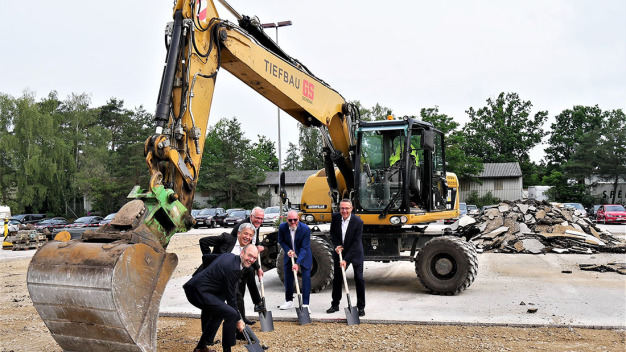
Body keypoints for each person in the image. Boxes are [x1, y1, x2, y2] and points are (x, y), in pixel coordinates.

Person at [183, 244, 259, 352]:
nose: (251, 260)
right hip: (197, 292)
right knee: (231, 314)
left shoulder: (229, 256)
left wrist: (209, 274)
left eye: (254, 258)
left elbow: (206, 258)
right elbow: (231, 298)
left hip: (196, 288)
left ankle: (201, 348)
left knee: (220, 313)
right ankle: (227, 350)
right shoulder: (233, 270)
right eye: (250, 256)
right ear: (242, 253)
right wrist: (238, 320)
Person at [198, 223, 263, 325]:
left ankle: (240, 331)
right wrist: (211, 261)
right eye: (246, 234)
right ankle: (206, 338)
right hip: (215, 278)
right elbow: (203, 242)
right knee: (210, 305)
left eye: (251, 235)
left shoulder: (247, 248)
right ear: (238, 233)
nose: (248, 237)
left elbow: (252, 258)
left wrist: (258, 268)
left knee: (238, 299)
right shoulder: (226, 239)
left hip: (230, 278)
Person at [326, 199, 366, 317]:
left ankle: (361, 307)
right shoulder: (336, 217)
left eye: (347, 208)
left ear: (351, 209)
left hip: (355, 252)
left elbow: (356, 242)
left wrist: (346, 260)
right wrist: (337, 245)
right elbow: (332, 233)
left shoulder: (358, 222)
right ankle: (335, 304)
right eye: (342, 208)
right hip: (340, 252)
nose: (344, 211)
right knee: (337, 278)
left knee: (359, 278)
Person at [229, 207, 266, 321]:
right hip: (235, 261)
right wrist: (258, 267)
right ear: (251, 216)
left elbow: (255, 242)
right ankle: (257, 303)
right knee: (238, 293)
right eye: (257, 218)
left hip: (245, 259)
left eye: (261, 219)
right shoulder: (244, 228)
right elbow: (247, 249)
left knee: (243, 290)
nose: (259, 221)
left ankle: (244, 316)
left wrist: (259, 246)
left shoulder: (255, 226)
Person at [277, 210, 312, 310]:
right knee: (288, 278)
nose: (293, 222)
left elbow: (305, 248)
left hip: (304, 256)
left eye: (295, 220)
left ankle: (305, 304)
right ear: (286, 219)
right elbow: (281, 241)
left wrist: (297, 263)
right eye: (290, 220)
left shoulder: (305, 229)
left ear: (298, 219)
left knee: (306, 278)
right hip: (290, 255)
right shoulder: (282, 227)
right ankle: (289, 301)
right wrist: (288, 250)